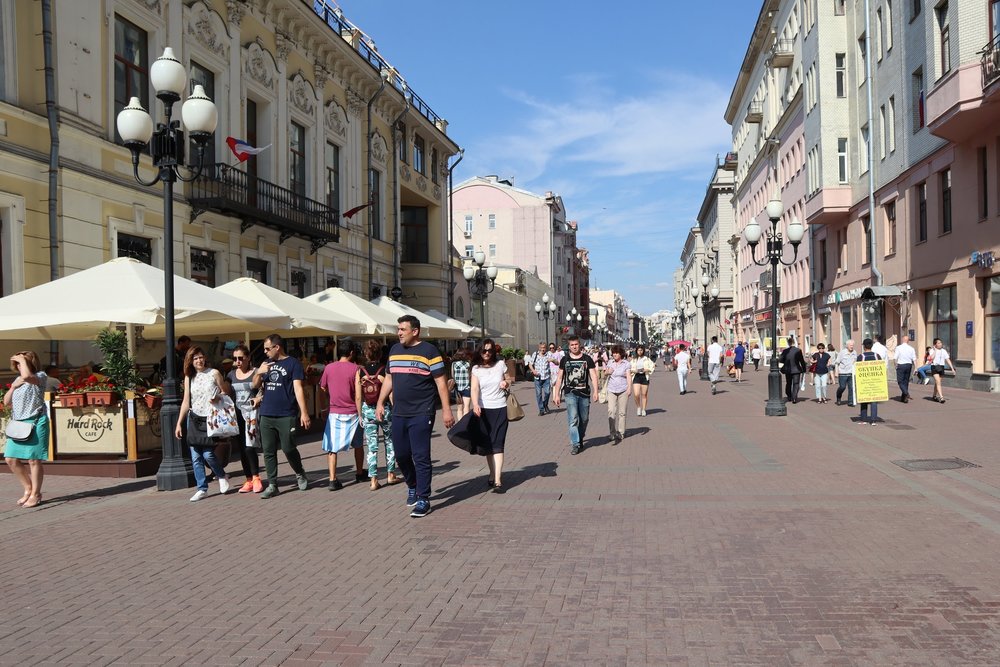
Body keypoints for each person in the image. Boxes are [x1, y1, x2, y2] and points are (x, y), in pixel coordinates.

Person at [376, 316, 454, 518]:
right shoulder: (394, 350)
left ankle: (423, 498)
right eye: (398, 329)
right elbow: (389, 379)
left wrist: (446, 410)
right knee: (401, 455)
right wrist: (380, 402)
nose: (399, 332)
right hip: (399, 413)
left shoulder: (429, 351)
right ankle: (412, 484)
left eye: (403, 329)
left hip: (422, 412)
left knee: (420, 456)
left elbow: (440, 383)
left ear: (415, 331)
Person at [256, 334, 312, 499]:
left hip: (286, 413)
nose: (265, 352)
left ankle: (300, 472)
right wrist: (259, 372)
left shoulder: (293, 363)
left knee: (288, 448)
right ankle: (273, 484)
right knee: (268, 451)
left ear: (277, 347)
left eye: (267, 348)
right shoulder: (266, 364)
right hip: (266, 413)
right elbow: (254, 385)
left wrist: (304, 413)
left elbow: (298, 389)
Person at [174, 346, 231, 501]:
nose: (199, 360)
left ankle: (221, 475)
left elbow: (225, 392)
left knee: (208, 454)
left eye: (200, 357)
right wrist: (179, 423)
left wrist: (218, 397)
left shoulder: (214, 373)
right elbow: (186, 401)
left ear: (205, 358)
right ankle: (202, 488)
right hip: (193, 419)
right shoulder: (189, 377)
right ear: (190, 361)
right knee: (195, 456)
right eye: (195, 358)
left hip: (210, 418)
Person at [4, 351, 51, 508]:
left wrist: (22, 360)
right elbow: (6, 402)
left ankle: (36, 493)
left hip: (36, 422)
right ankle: (28, 488)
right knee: (10, 459)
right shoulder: (18, 379)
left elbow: (27, 377)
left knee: (33, 460)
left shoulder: (41, 375)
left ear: (30, 362)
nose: (17, 365)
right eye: (16, 363)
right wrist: (13, 387)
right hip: (18, 424)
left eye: (21, 362)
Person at [318, 340, 364, 491]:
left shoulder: (329, 368)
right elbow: (358, 396)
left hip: (334, 412)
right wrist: (360, 414)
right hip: (352, 413)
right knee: (358, 445)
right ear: (351, 353)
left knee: (332, 447)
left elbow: (322, 387)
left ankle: (332, 479)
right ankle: (359, 472)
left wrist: (324, 406)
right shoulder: (356, 369)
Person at [470, 339, 512, 492]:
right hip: (484, 410)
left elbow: (509, 379)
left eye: (490, 350)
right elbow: (474, 389)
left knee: (498, 444)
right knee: (488, 445)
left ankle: (498, 480)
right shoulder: (476, 369)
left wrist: (506, 383)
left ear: (494, 352)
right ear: (480, 351)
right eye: (484, 350)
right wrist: (475, 404)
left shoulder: (500, 364)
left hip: (500, 408)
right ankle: (492, 473)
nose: (487, 353)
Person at [357, 339, 399, 490]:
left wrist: (360, 413)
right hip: (385, 409)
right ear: (380, 353)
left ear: (365, 354)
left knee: (371, 445)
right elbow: (391, 393)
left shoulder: (360, 371)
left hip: (367, 411)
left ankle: (373, 479)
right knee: (389, 441)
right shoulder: (384, 370)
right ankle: (390, 474)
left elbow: (358, 395)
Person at [552, 335, 599, 456]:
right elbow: (560, 377)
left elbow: (593, 375)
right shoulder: (565, 359)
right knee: (573, 419)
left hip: (584, 394)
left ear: (579, 345)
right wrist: (556, 394)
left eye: (576, 344)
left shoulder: (587, 359)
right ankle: (575, 443)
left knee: (584, 419)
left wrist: (596, 391)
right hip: (570, 393)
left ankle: (580, 437)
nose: (574, 347)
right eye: (572, 345)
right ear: (569, 346)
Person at [227, 344, 263, 493]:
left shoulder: (256, 372)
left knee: (250, 447)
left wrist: (259, 398)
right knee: (242, 448)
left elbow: (263, 390)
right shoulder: (231, 375)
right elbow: (227, 393)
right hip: (237, 415)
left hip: (252, 415)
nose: (238, 361)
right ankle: (248, 479)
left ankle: (256, 478)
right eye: (235, 359)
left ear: (248, 357)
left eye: (240, 358)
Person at [602, 345, 631, 445]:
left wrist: (629, 388)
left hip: (623, 390)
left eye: (616, 353)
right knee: (611, 411)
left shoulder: (626, 363)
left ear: (621, 354)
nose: (614, 354)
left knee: (622, 412)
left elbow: (628, 377)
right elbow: (605, 373)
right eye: (613, 353)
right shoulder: (610, 362)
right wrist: (607, 372)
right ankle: (612, 433)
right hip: (611, 390)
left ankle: (621, 432)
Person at [856, 338, 883, 425]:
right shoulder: (877, 356)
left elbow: (857, 369)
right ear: (872, 346)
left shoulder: (861, 357)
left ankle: (864, 419)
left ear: (864, 346)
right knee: (874, 400)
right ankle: (873, 420)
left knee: (864, 399)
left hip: (864, 382)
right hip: (875, 381)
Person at [524, 342, 551, 416]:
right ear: (539, 348)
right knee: (538, 394)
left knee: (547, 392)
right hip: (537, 378)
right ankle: (541, 410)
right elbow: (530, 364)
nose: (543, 349)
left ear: (546, 348)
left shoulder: (548, 354)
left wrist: (553, 360)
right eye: (541, 348)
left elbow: (556, 362)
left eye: (544, 348)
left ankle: (545, 404)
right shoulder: (535, 354)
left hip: (546, 377)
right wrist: (533, 371)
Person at [779, 336, 806, 404]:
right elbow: (801, 361)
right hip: (796, 369)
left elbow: (781, 360)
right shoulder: (798, 350)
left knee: (788, 383)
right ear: (794, 342)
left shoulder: (785, 351)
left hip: (788, 369)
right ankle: (794, 397)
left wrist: (785, 361)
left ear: (788, 343)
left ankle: (789, 396)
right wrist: (804, 368)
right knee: (796, 383)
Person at [930, 337, 957, 403]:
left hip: (941, 367)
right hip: (934, 366)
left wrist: (952, 368)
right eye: (938, 343)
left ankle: (934, 395)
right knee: (938, 381)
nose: (940, 344)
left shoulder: (944, 351)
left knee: (937, 382)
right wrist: (935, 350)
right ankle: (941, 397)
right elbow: (931, 358)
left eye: (941, 342)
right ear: (935, 344)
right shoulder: (932, 350)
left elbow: (947, 359)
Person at [630, 345, 655, 415]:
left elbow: (652, 366)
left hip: (644, 376)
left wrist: (648, 369)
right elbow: (629, 368)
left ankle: (643, 409)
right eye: (638, 350)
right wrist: (633, 370)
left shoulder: (646, 359)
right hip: (636, 376)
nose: (640, 352)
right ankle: (638, 407)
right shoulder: (634, 359)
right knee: (636, 394)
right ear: (636, 351)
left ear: (643, 351)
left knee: (644, 394)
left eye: (641, 350)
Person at [450, 348, 472, 421]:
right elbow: (470, 376)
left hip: (457, 388)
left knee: (459, 408)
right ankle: (465, 424)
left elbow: (452, 376)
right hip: (467, 387)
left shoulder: (453, 364)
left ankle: (460, 424)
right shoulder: (468, 364)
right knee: (466, 407)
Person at [894, 334, 917, 403]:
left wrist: (895, 365)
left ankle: (906, 393)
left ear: (902, 340)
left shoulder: (898, 348)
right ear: (908, 341)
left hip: (901, 365)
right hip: (909, 365)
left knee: (900, 381)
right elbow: (914, 359)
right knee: (906, 381)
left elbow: (895, 358)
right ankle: (904, 398)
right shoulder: (911, 348)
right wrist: (916, 368)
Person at [834, 339, 856, 406]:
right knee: (842, 387)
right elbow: (837, 362)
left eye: (852, 345)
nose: (852, 347)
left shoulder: (855, 352)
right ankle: (838, 396)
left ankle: (850, 402)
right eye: (850, 345)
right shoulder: (842, 353)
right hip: (843, 373)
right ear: (847, 346)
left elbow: (855, 362)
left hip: (851, 373)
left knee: (851, 388)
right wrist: (836, 371)